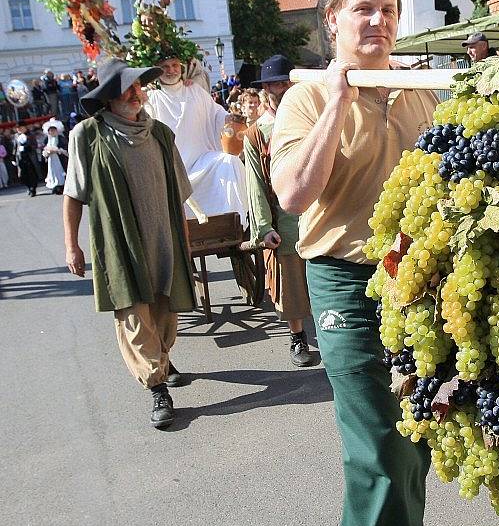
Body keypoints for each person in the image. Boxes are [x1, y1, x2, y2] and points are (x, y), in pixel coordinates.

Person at [271, 0, 439, 526]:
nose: (378, 22)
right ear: (333, 21)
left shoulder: (419, 89)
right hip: (343, 280)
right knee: (374, 432)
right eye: (364, 10)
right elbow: (292, 195)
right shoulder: (305, 98)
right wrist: (339, 101)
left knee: (419, 423)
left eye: (389, 11)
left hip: (416, 279)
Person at [63, 58, 195, 428]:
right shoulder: (87, 136)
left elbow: (178, 196)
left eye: (138, 86)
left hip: (164, 238)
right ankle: (157, 389)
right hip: (120, 244)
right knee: (134, 315)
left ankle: (162, 360)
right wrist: (72, 245)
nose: (135, 93)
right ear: (108, 98)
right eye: (126, 88)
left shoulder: (161, 135)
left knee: (167, 311)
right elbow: (73, 195)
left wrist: (184, 242)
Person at [244, 54, 313, 367]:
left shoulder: (310, 116)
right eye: (273, 82)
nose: (280, 87)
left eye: (285, 81)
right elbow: (255, 183)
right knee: (291, 284)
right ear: (264, 88)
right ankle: (298, 336)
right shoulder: (257, 133)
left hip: (317, 210)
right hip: (283, 216)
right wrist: (262, 226)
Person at [143, 55, 247, 220]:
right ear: (156, 70)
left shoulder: (195, 90)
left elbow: (217, 114)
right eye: (165, 66)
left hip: (202, 159)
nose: (171, 70)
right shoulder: (152, 98)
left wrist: (229, 118)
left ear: (182, 67)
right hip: (172, 167)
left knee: (230, 163)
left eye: (174, 65)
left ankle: (236, 221)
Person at [41, 119, 67, 194]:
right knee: (53, 172)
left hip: (59, 158)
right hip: (51, 159)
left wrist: (57, 150)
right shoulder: (47, 140)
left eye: (54, 130)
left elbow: (65, 148)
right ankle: (55, 185)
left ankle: (62, 185)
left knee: (61, 171)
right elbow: (44, 149)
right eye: (50, 131)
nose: (52, 132)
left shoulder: (61, 138)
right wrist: (47, 152)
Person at [13, 126, 38, 197]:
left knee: (32, 174)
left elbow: (35, 145)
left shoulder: (30, 135)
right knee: (22, 175)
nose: (19, 130)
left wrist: (28, 147)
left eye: (20, 128)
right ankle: (28, 187)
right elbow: (15, 147)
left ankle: (33, 188)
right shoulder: (16, 136)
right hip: (20, 158)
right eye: (18, 129)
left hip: (29, 157)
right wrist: (13, 157)